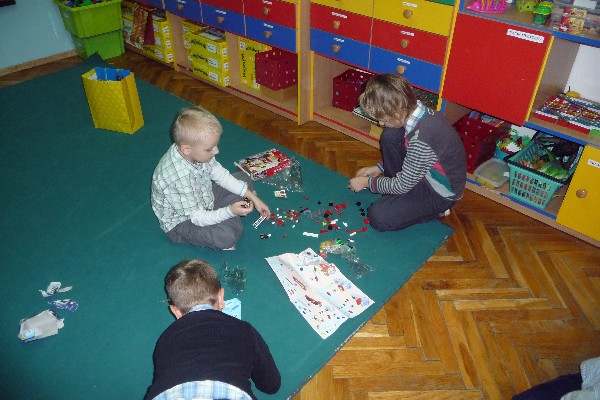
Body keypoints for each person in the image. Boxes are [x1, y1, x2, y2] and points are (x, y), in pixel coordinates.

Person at [144, 259, 281, 400]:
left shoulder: (164, 340)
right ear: (221, 297)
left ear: (175, 311)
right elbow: (271, 385)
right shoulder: (244, 330)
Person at [348, 73, 466, 231]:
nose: (380, 123)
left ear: (397, 112)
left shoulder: (421, 139)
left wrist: (367, 183)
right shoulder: (416, 112)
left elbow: (403, 184)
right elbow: (413, 156)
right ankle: (400, 199)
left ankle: (436, 210)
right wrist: (379, 168)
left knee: (378, 217)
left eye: (383, 119)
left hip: (440, 193)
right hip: (423, 172)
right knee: (390, 135)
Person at [151, 106, 270, 250]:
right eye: (210, 149)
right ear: (186, 149)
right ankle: (228, 220)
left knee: (243, 178)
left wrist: (254, 199)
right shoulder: (177, 178)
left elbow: (221, 175)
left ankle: (228, 215)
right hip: (183, 222)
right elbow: (197, 218)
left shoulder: (194, 152)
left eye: (215, 145)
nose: (216, 151)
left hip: (203, 197)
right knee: (226, 236)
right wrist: (230, 212)